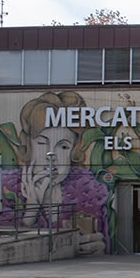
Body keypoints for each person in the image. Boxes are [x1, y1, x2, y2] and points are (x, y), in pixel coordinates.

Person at [17, 91, 88, 227]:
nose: (51, 155)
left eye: (63, 146)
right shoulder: (10, 190)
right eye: (42, 143)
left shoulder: (89, 192)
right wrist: (32, 209)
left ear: (74, 150)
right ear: (28, 145)